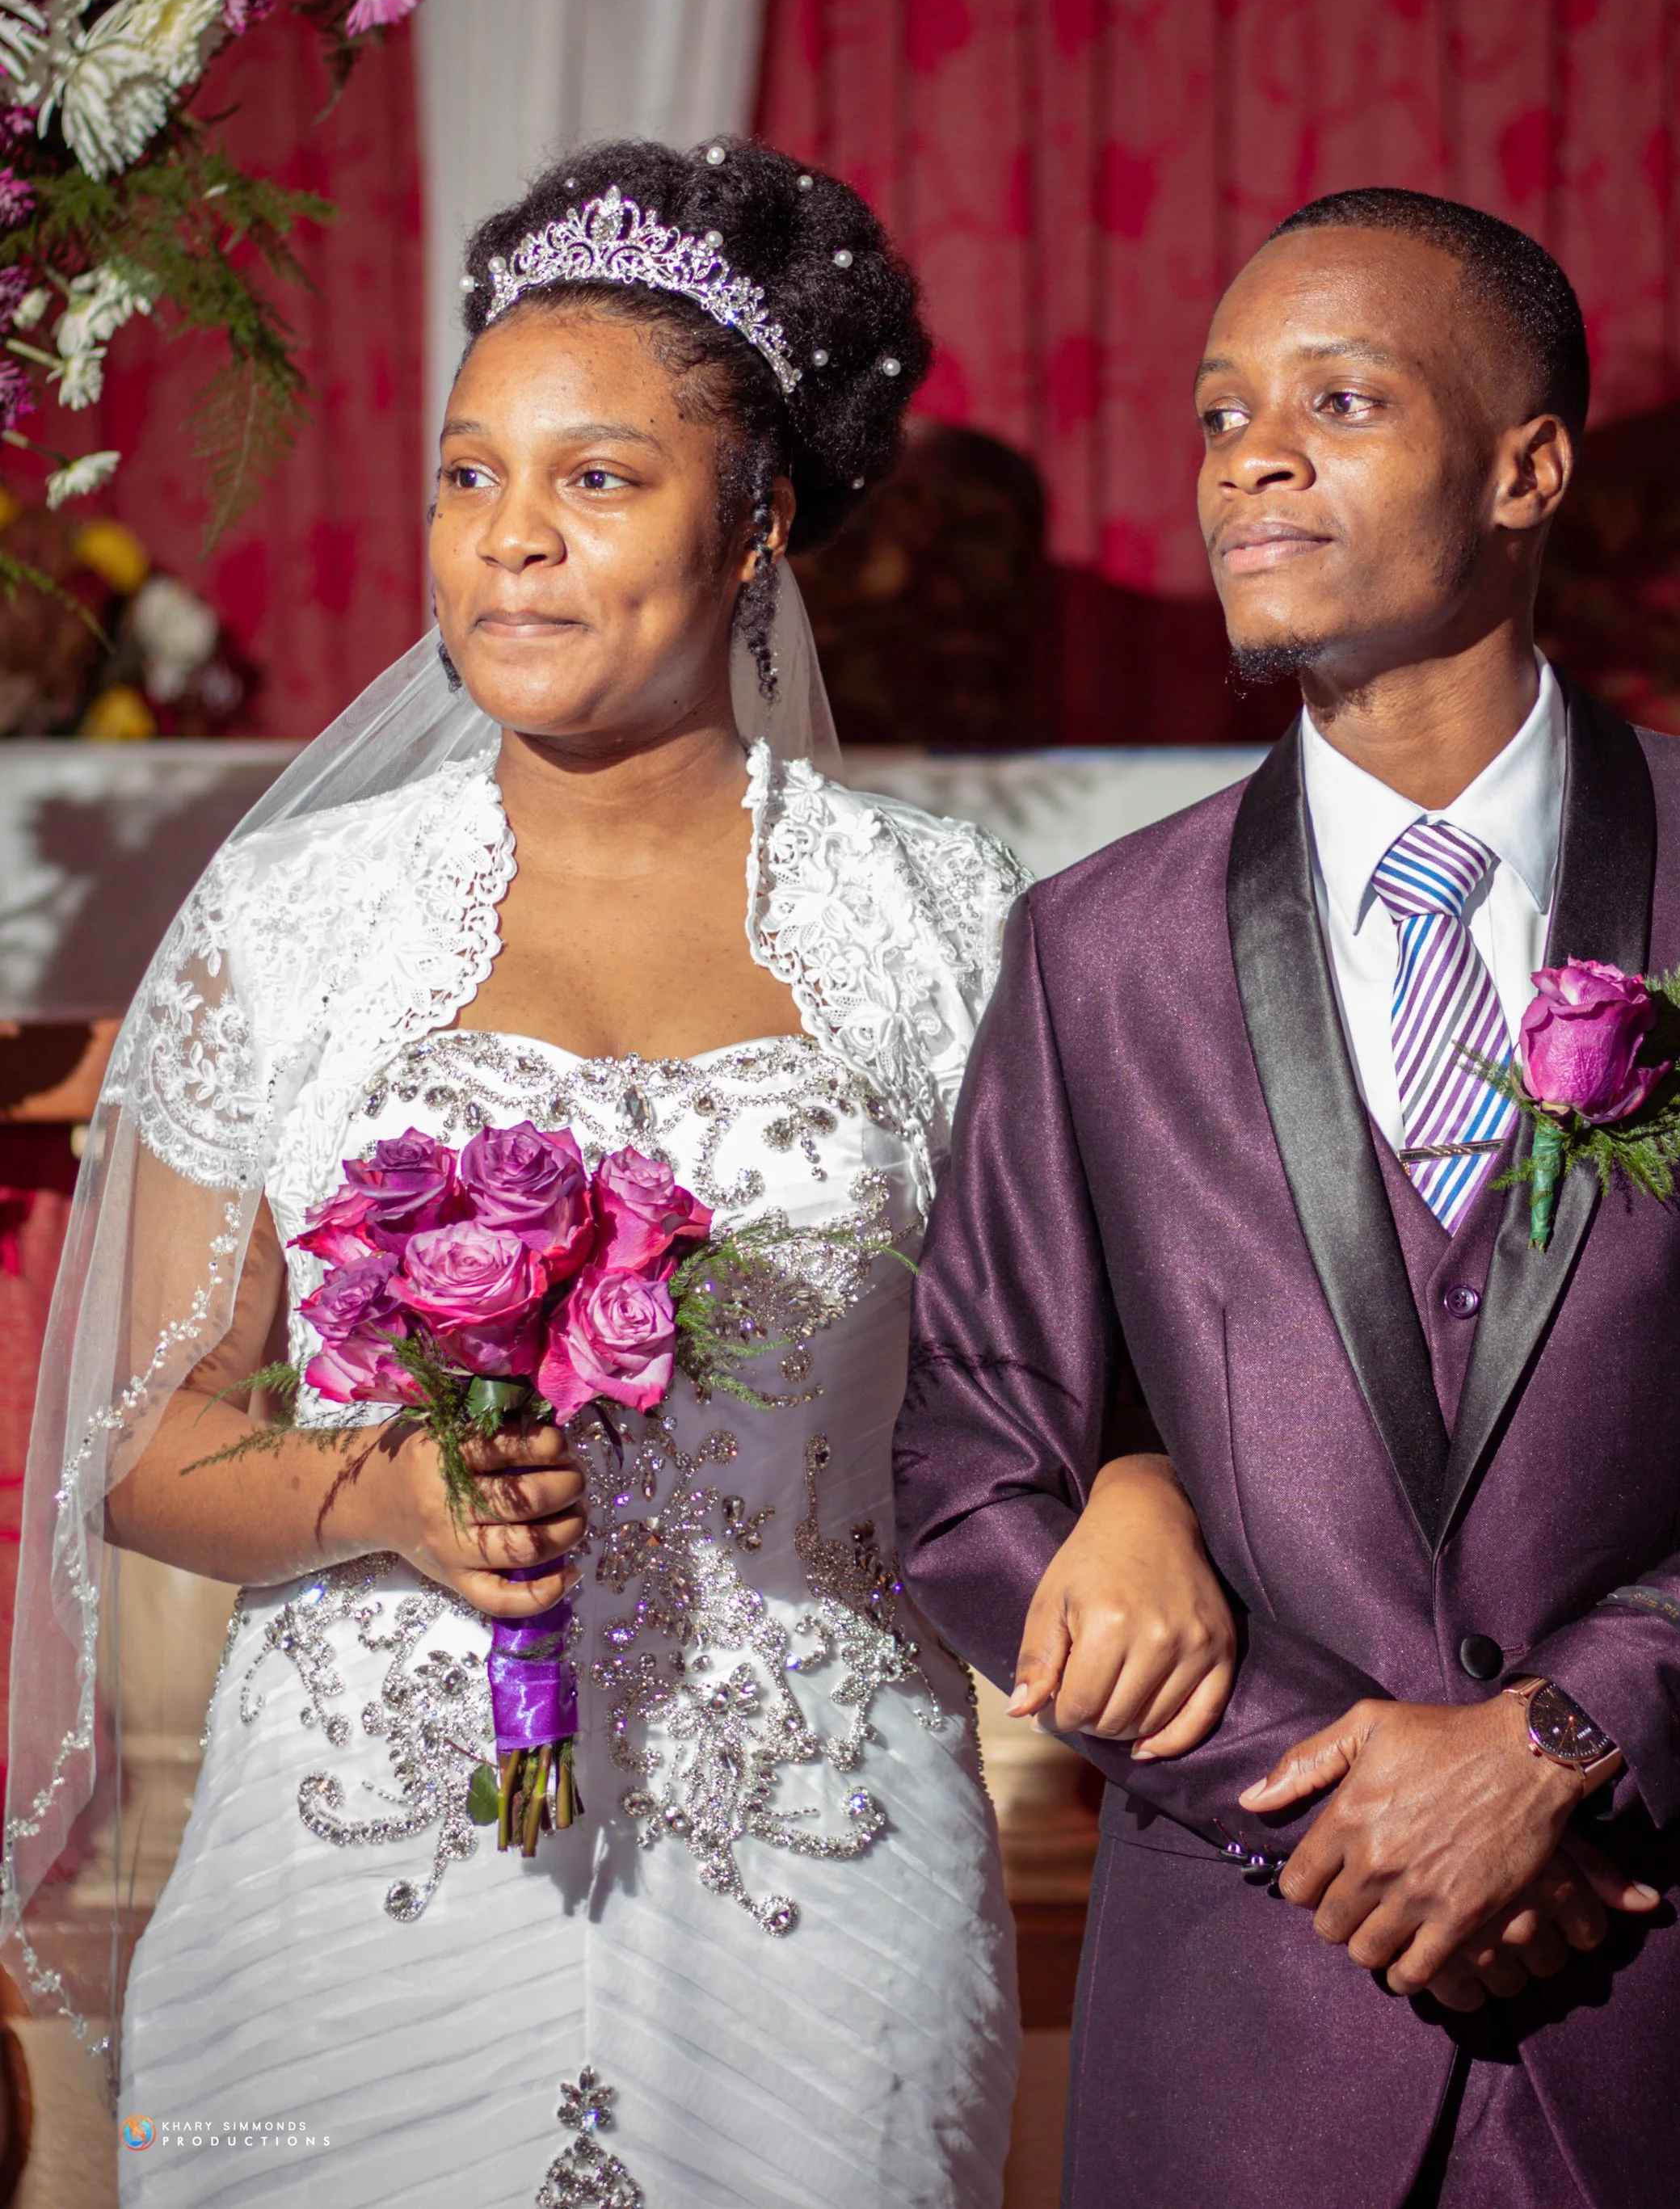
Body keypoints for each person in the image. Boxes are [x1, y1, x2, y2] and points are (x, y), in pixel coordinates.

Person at [6, 136, 1227, 2209]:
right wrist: (387, 1489)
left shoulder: (943, 925)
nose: (510, 547)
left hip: (809, 1871)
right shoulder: (290, 918)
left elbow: (1090, 1389)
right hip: (352, 1890)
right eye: (470, 476)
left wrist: (1135, 1485)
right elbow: (132, 1447)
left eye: (596, 479)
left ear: (755, 527)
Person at [893, 187, 1680, 2207]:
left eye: (1338, 397)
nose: (1254, 457)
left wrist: (1554, 1741)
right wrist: (1349, 1798)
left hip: (1658, 2001)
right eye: (1220, 414)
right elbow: (969, 1470)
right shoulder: (1089, 951)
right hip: (1248, 2016)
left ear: (1525, 467)